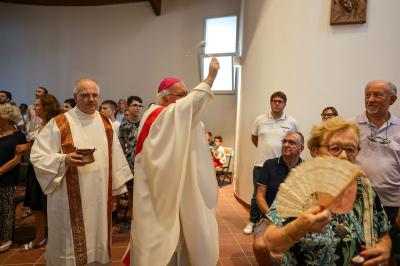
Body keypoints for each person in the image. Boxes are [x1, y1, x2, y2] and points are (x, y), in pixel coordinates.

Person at [30, 79, 133, 265]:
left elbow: (115, 155)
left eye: (94, 95)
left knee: (97, 238)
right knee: (69, 242)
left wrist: (117, 191)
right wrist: (64, 160)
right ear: (76, 96)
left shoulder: (105, 122)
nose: (90, 99)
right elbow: (37, 157)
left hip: (100, 194)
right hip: (67, 196)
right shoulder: (59, 123)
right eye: (85, 95)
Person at [264, 117, 392, 265]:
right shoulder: (298, 188)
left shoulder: (365, 187)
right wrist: (298, 227)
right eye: (335, 148)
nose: (344, 156)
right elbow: (270, 243)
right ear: (315, 151)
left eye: (350, 149)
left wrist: (385, 246)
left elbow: (384, 233)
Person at [130, 58, 220, 265]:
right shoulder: (157, 116)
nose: (185, 99)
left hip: (184, 184)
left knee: (189, 234)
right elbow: (190, 105)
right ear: (165, 98)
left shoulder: (180, 116)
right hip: (160, 190)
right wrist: (209, 79)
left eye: (186, 95)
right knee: (163, 243)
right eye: (181, 95)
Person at [353, 80, 400, 264]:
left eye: (377, 95)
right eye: (367, 94)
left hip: (393, 205)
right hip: (358, 202)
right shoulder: (351, 125)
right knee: (359, 254)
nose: (370, 99)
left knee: (391, 254)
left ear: (392, 99)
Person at [244, 91, 300, 235]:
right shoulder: (260, 120)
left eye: (280, 101)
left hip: (282, 165)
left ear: (285, 104)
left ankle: (278, 222)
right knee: (257, 194)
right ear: (270, 103)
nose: (277, 103)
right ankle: (252, 221)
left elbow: (296, 140)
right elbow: (254, 138)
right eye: (274, 101)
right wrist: (265, 150)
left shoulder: (292, 122)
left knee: (280, 193)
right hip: (261, 164)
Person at [16, 95, 62, 251]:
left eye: (37, 105)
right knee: (38, 206)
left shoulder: (56, 123)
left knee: (51, 205)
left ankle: (55, 237)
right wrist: (27, 146)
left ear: (47, 106)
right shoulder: (40, 124)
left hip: (49, 170)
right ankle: (40, 237)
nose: (34, 107)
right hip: (35, 169)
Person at [253, 131, 303, 266]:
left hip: (297, 220)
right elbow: (259, 196)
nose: (286, 144)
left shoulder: (306, 169)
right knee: (259, 246)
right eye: (284, 141)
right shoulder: (270, 165)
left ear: (301, 148)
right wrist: (272, 217)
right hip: (269, 217)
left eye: (291, 142)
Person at [0, 104, 27, 252]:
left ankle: (6, 238)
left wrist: (0, 171)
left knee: (5, 208)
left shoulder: (19, 136)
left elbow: (17, 160)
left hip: (7, 176)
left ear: (6, 117)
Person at [117, 95, 143, 233]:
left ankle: (144, 221)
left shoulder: (145, 123)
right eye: (134, 105)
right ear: (127, 107)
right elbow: (121, 147)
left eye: (140, 105)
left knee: (146, 193)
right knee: (132, 194)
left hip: (145, 165)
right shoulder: (124, 126)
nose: (138, 108)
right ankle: (132, 220)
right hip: (130, 164)